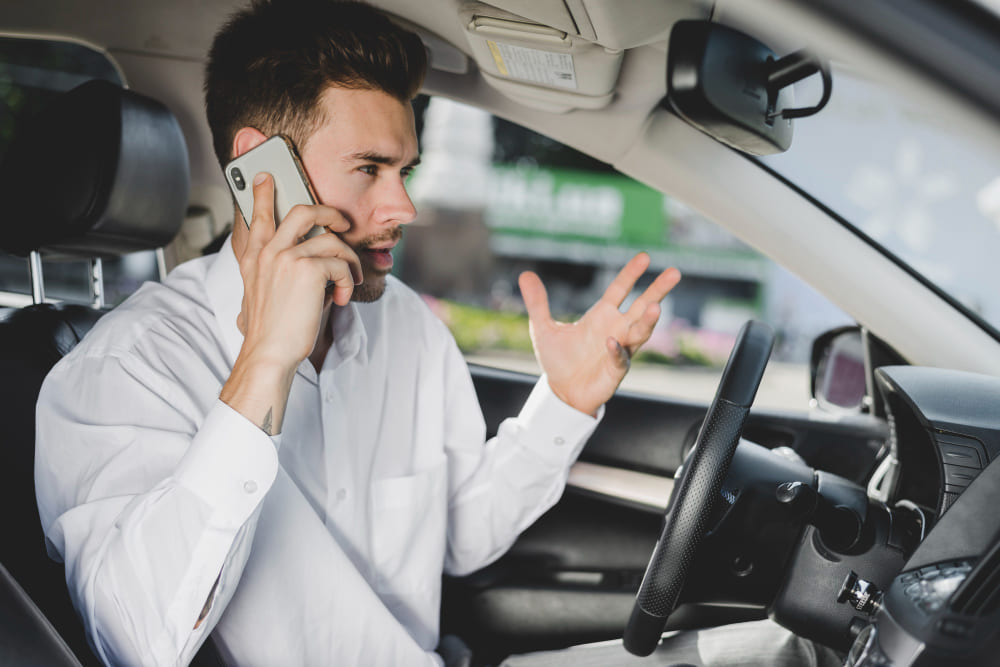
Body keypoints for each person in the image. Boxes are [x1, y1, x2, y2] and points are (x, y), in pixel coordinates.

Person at [33, 1, 842, 666]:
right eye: (370, 169)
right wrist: (264, 365)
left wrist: (562, 405)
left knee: (769, 651)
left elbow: (459, 539)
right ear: (259, 175)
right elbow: (138, 641)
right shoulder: (118, 373)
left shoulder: (404, 335)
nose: (404, 209)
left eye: (406, 171)